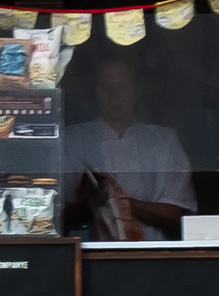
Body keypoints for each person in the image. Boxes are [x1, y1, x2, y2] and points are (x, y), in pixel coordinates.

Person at [64, 51, 195, 240]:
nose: (114, 95)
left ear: (137, 89)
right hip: (93, 251)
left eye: (122, 86)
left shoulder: (163, 141)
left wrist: (114, 199)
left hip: (152, 250)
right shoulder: (73, 139)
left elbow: (174, 212)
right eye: (105, 87)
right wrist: (92, 201)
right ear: (95, 91)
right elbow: (59, 213)